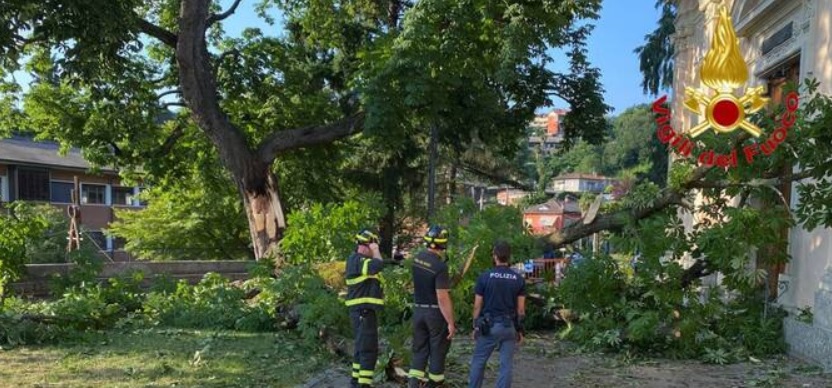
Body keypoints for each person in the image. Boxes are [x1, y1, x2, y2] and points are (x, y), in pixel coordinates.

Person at [468, 240, 526, 388]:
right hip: (509, 327)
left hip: (489, 326)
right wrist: (519, 330)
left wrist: (475, 326)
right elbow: (520, 310)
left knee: (478, 361)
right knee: (506, 365)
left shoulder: (484, 277)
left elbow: (477, 306)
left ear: (495, 256)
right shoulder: (518, 279)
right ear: (509, 257)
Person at [408, 225, 455, 387]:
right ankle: (433, 384)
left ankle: (413, 384)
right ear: (443, 244)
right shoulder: (440, 267)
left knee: (419, 350)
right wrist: (450, 322)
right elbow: (442, 297)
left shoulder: (416, 259)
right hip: (435, 314)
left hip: (418, 311)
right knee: (438, 350)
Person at [345, 229, 385, 387]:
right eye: (373, 247)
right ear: (366, 246)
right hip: (363, 312)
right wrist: (376, 250)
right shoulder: (359, 260)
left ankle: (356, 381)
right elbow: (378, 265)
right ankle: (364, 384)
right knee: (368, 350)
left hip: (362, 312)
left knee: (361, 349)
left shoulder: (357, 260)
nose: (374, 251)